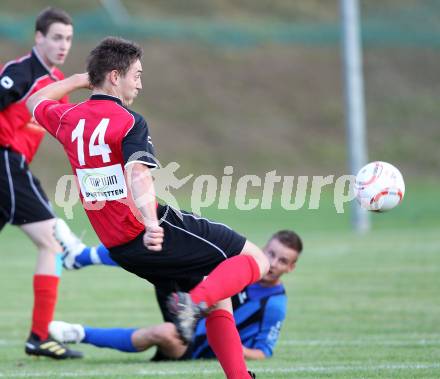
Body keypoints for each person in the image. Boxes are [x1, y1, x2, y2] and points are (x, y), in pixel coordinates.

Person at [27, 37, 270, 379]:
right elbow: (138, 174)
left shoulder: (68, 117)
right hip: (147, 231)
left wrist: (80, 80)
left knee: (218, 293)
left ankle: (238, 375)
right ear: (115, 76)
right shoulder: (128, 121)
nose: (140, 83)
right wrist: (152, 222)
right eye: (136, 75)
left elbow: (34, 102)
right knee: (256, 260)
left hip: (121, 248)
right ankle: (192, 304)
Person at [49, 230, 303, 362]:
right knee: (158, 253)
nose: (273, 263)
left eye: (283, 261)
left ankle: (79, 333)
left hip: (194, 345)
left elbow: (264, 352)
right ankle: (82, 256)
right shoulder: (240, 270)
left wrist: (231, 349)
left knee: (163, 333)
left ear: (290, 268)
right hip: (185, 308)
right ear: (264, 248)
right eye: (270, 253)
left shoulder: (274, 305)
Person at [0, 7, 82, 359]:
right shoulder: (20, 73)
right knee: (53, 241)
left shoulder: (57, 84)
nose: (63, 45)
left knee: (51, 245)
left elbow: (69, 133)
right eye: (56, 38)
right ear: (39, 38)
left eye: (68, 39)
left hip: (11, 167)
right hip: (4, 160)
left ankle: (39, 336)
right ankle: (39, 337)